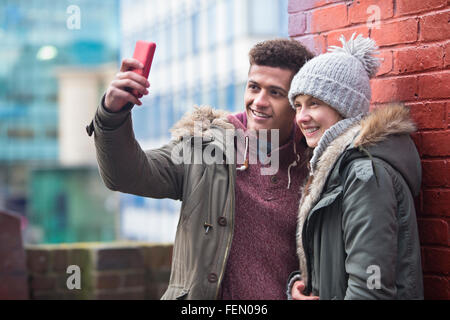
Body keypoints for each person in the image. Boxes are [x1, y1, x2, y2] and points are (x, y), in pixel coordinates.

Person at [86, 39, 314, 299]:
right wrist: (112, 113)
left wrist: (303, 281)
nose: (259, 101)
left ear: (297, 102)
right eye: (253, 87)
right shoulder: (206, 148)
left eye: (275, 93)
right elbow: (126, 175)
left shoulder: (314, 164)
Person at [287, 34, 424, 300]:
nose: (302, 117)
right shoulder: (333, 167)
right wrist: (303, 287)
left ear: (344, 106)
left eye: (314, 103)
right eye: (298, 105)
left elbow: (370, 289)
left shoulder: (364, 176)